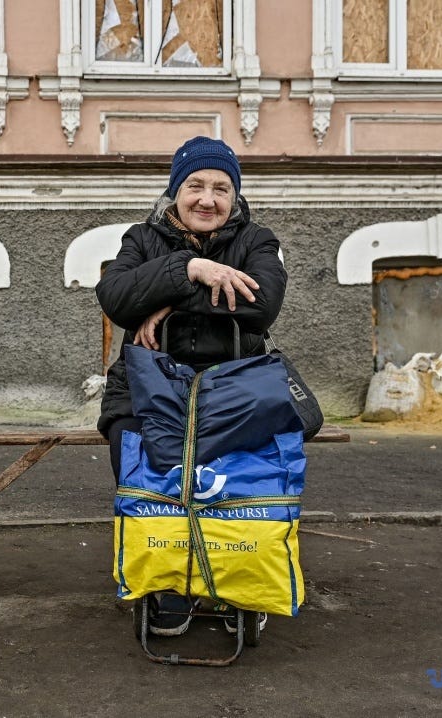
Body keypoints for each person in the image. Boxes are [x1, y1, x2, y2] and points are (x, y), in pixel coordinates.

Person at [95, 135, 287, 636]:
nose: (208, 199)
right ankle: (168, 586)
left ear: (235, 197)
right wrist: (192, 268)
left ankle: (233, 582)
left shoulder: (257, 241)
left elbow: (262, 306)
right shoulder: (141, 238)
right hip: (147, 390)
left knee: (241, 476)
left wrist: (167, 301)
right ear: (176, 191)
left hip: (236, 391)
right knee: (146, 469)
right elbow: (115, 297)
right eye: (195, 185)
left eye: (221, 188)